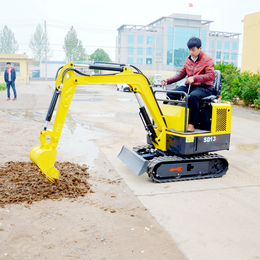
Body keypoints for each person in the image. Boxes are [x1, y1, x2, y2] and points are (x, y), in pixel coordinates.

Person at [161, 37, 215, 132]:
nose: (191, 52)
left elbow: (211, 75)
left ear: (200, 48)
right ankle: (172, 118)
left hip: (204, 87)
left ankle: (191, 124)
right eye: (189, 50)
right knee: (171, 94)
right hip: (190, 86)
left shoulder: (207, 59)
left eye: (193, 50)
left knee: (193, 97)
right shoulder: (188, 59)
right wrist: (168, 81)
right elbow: (182, 74)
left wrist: (195, 78)